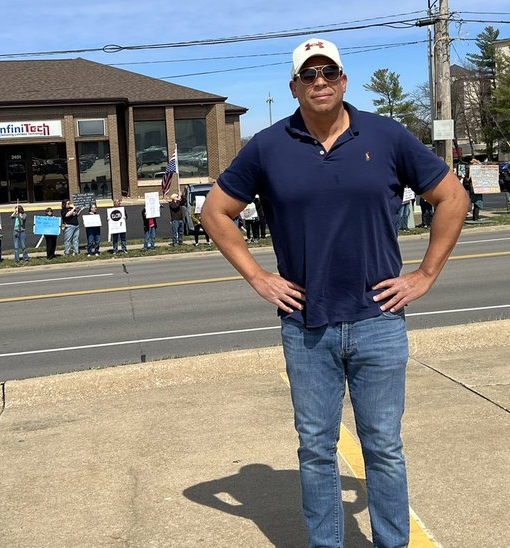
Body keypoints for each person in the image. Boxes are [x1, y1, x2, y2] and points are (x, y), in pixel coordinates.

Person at [201, 38, 468, 546]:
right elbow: (215, 213)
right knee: (316, 449)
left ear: (344, 80)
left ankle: (393, 541)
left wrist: (425, 275)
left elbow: (452, 197)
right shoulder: (268, 145)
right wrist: (260, 278)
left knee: (384, 447)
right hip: (307, 327)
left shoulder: (386, 136)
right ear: (294, 86)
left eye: (329, 72)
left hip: (378, 322)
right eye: (309, 75)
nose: (319, 82)